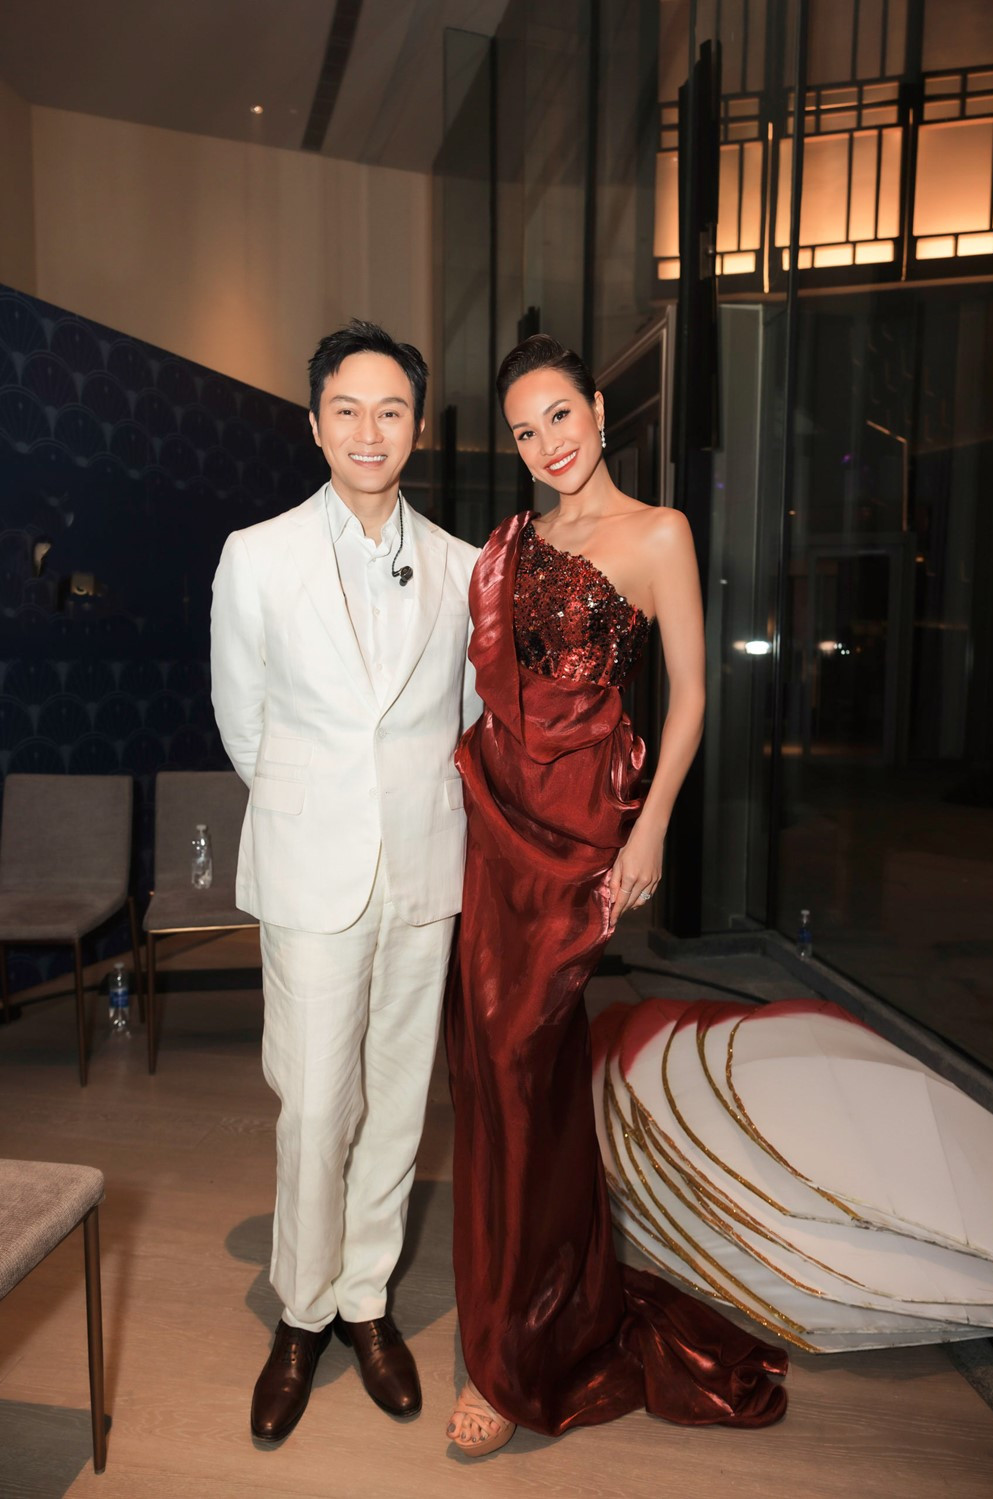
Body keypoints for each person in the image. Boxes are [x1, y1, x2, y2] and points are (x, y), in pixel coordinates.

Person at [444, 333, 788, 1455]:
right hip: (499, 822)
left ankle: (512, 1350)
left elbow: (690, 696)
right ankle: (530, 1309)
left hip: (584, 826)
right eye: (524, 431)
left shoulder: (658, 532)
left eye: (559, 414)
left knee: (523, 1061)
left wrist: (651, 826)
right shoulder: (514, 542)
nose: (547, 443)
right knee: (495, 1071)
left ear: (598, 407)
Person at [211, 319, 479, 1444]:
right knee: (317, 1102)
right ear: (314, 422)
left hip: (422, 865)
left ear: (417, 426)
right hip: (312, 866)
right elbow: (243, 720)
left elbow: (466, 717)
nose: (370, 430)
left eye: (392, 410)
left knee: (399, 1099)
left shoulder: (463, 566)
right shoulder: (256, 554)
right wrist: (319, 806)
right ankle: (302, 1309)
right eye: (348, 409)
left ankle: (366, 1300)